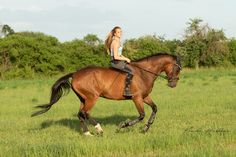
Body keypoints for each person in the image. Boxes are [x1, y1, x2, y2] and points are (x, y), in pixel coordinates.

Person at [105, 26, 133, 97]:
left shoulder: (118, 41)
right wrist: (126, 59)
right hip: (115, 62)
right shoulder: (115, 42)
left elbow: (120, 55)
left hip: (118, 61)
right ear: (114, 34)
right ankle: (126, 90)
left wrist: (126, 58)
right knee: (131, 71)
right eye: (118, 32)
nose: (120, 33)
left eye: (121, 32)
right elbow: (116, 57)